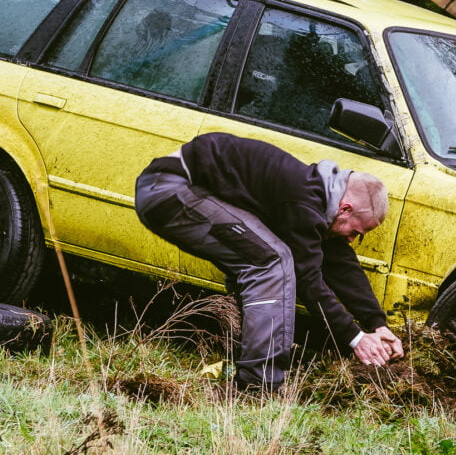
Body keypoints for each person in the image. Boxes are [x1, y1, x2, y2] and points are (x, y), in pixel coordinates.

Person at [134, 132, 404, 391]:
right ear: (345, 209)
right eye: (356, 232)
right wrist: (355, 338)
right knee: (272, 261)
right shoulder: (303, 201)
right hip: (170, 189)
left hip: (176, 190)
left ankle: (237, 365)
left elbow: (341, 264)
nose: (353, 240)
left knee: (261, 257)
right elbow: (308, 280)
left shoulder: (317, 200)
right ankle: (258, 384)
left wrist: (377, 325)